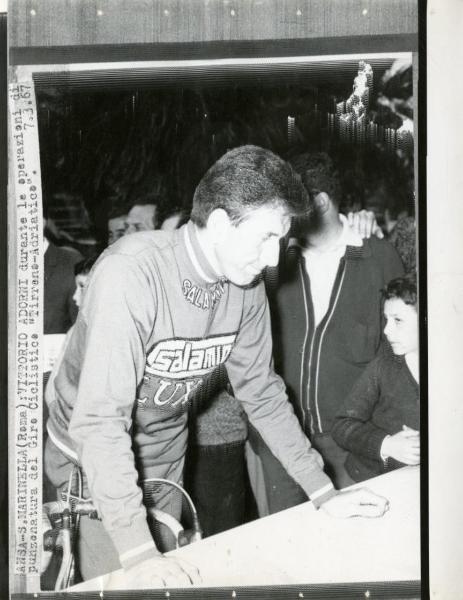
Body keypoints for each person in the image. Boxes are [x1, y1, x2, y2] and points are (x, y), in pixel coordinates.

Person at [45, 146, 388, 589]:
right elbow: (99, 422)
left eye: (279, 242)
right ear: (223, 224)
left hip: (163, 457)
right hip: (91, 460)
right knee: (126, 581)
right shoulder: (132, 274)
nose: (271, 259)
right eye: (265, 237)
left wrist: (323, 492)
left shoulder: (243, 285)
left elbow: (262, 394)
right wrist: (137, 553)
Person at [249, 152, 404, 514]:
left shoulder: (379, 257)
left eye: (290, 206)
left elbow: (402, 356)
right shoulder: (273, 262)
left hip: (353, 444)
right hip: (282, 441)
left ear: (319, 202)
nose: (282, 217)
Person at [331, 274, 420, 481]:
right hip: (370, 475)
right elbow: (342, 424)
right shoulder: (383, 365)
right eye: (387, 319)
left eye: (398, 320)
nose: (387, 331)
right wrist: (387, 444)